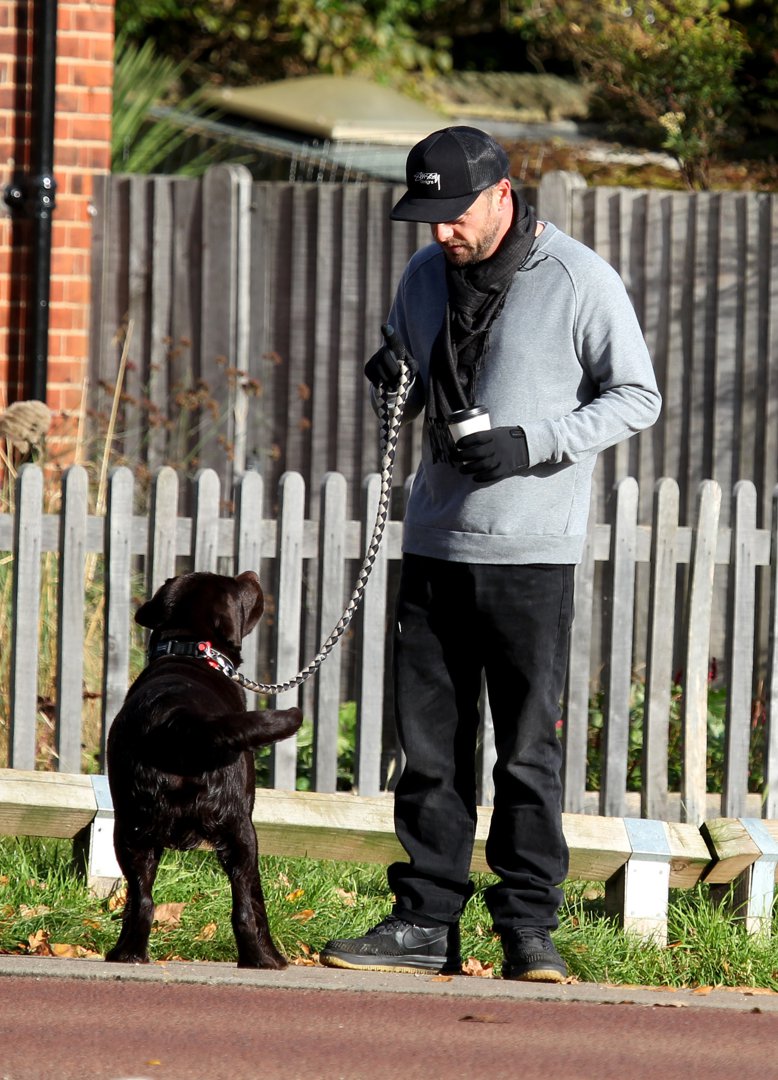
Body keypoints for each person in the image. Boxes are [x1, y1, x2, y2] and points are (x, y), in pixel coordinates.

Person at [319, 126, 661, 982]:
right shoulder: (423, 275)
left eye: (455, 215)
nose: (442, 233)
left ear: (502, 194)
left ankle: (528, 930)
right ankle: (424, 922)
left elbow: (637, 395)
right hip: (436, 541)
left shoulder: (579, 278)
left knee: (527, 754)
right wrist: (391, 379)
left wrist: (531, 442)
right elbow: (406, 375)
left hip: (531, 554)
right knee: (429, 753)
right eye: (428, 218)